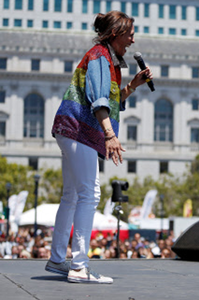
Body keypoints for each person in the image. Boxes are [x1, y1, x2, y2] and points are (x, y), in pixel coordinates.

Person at [44, 11, 153, 284]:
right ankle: (79, 266)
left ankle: (58, 259)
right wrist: (110, 135)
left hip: (72, 129)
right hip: (79, 130)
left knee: (71, 195)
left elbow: (111, 99)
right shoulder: (99, 57)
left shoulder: (107, 59)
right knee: (90, 194)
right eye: (129, 34)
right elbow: (99, 100)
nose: (132, 39)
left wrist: (131, 86)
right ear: (115, 34)